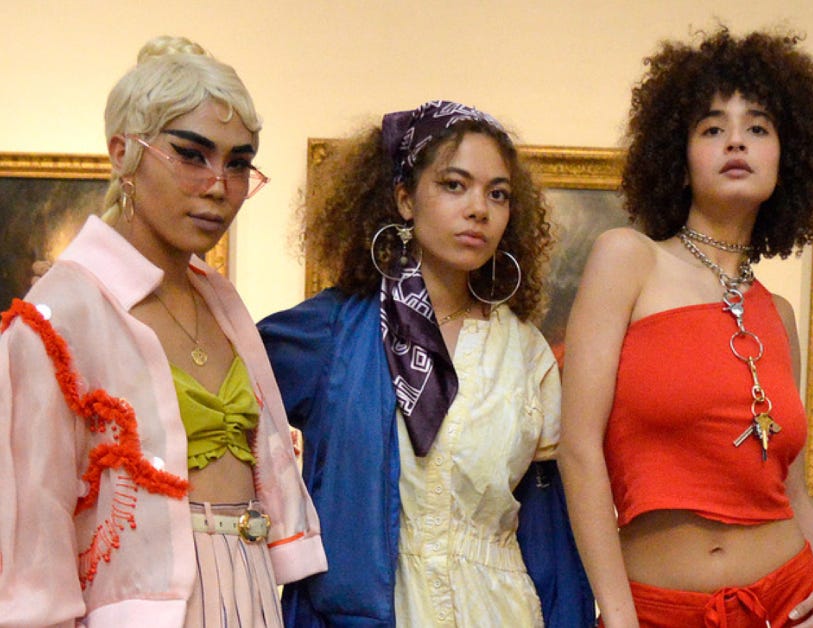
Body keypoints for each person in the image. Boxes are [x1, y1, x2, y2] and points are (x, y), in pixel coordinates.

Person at [0, 36, 326, 626]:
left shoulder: (220, 299)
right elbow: (31, 524)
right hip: (138, 605)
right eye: (191, 154)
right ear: (123, 152)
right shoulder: (58, 314)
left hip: (250, 593)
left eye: (238, 162)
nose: (219, 186)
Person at [558, 28, 813, 627]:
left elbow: (789, 486)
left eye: (759, 127)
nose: (736, 141)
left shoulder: (780, 314)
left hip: (791, 599)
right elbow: (578, 450)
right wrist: (618, 615)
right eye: (712, 127)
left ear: (788, 156)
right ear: (679, 153)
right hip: (657, 610)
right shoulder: (628, 259)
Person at [258, 100, 593, 627]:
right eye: (454, 185)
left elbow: (548, 533)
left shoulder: (525, 353)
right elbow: (223, 393)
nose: (479, 208)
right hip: (369, 612)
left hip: (499, 610)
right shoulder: (334, 333)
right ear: (404, 199)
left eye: (497, 193)